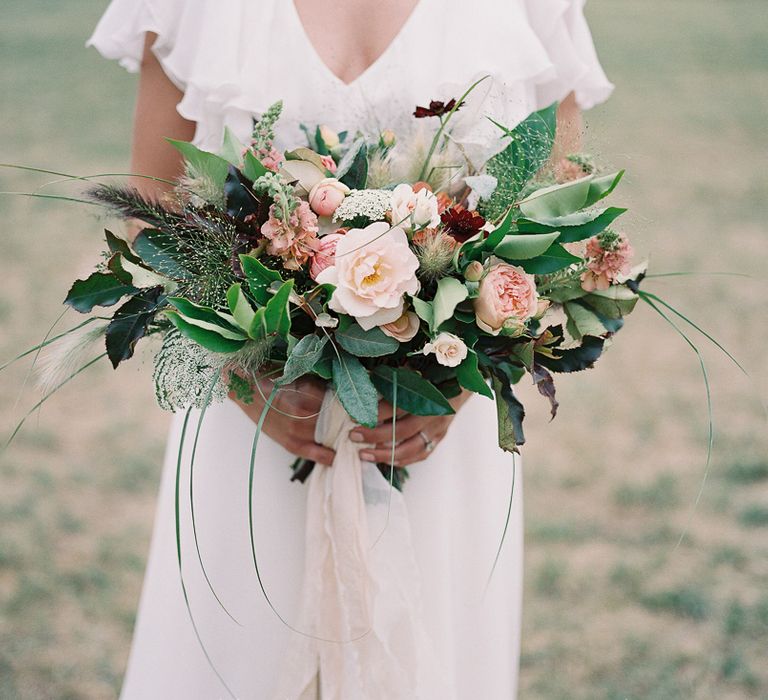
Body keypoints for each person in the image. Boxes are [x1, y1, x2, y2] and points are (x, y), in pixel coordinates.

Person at [89, 0, 613, 697]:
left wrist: (459, 378)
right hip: (249, 427)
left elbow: (562, 214)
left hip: (433, 437)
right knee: (236, 658)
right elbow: (148, 209)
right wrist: (246, 382)